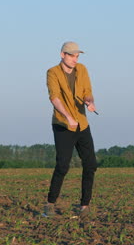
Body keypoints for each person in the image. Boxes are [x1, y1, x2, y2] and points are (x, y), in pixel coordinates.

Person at [43, 41, 98, 218]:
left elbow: (87, 91)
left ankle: (84, 206)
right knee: (62, 165)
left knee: (90, 164)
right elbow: (55, 98)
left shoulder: (82, 69)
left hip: (82, 124)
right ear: (62, 55)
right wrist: (68, 117)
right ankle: (50, 204)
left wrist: (89, 101)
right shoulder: (52, 73)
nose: (75, 59)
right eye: (71, 55)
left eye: (77, 56)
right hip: (63, 125)